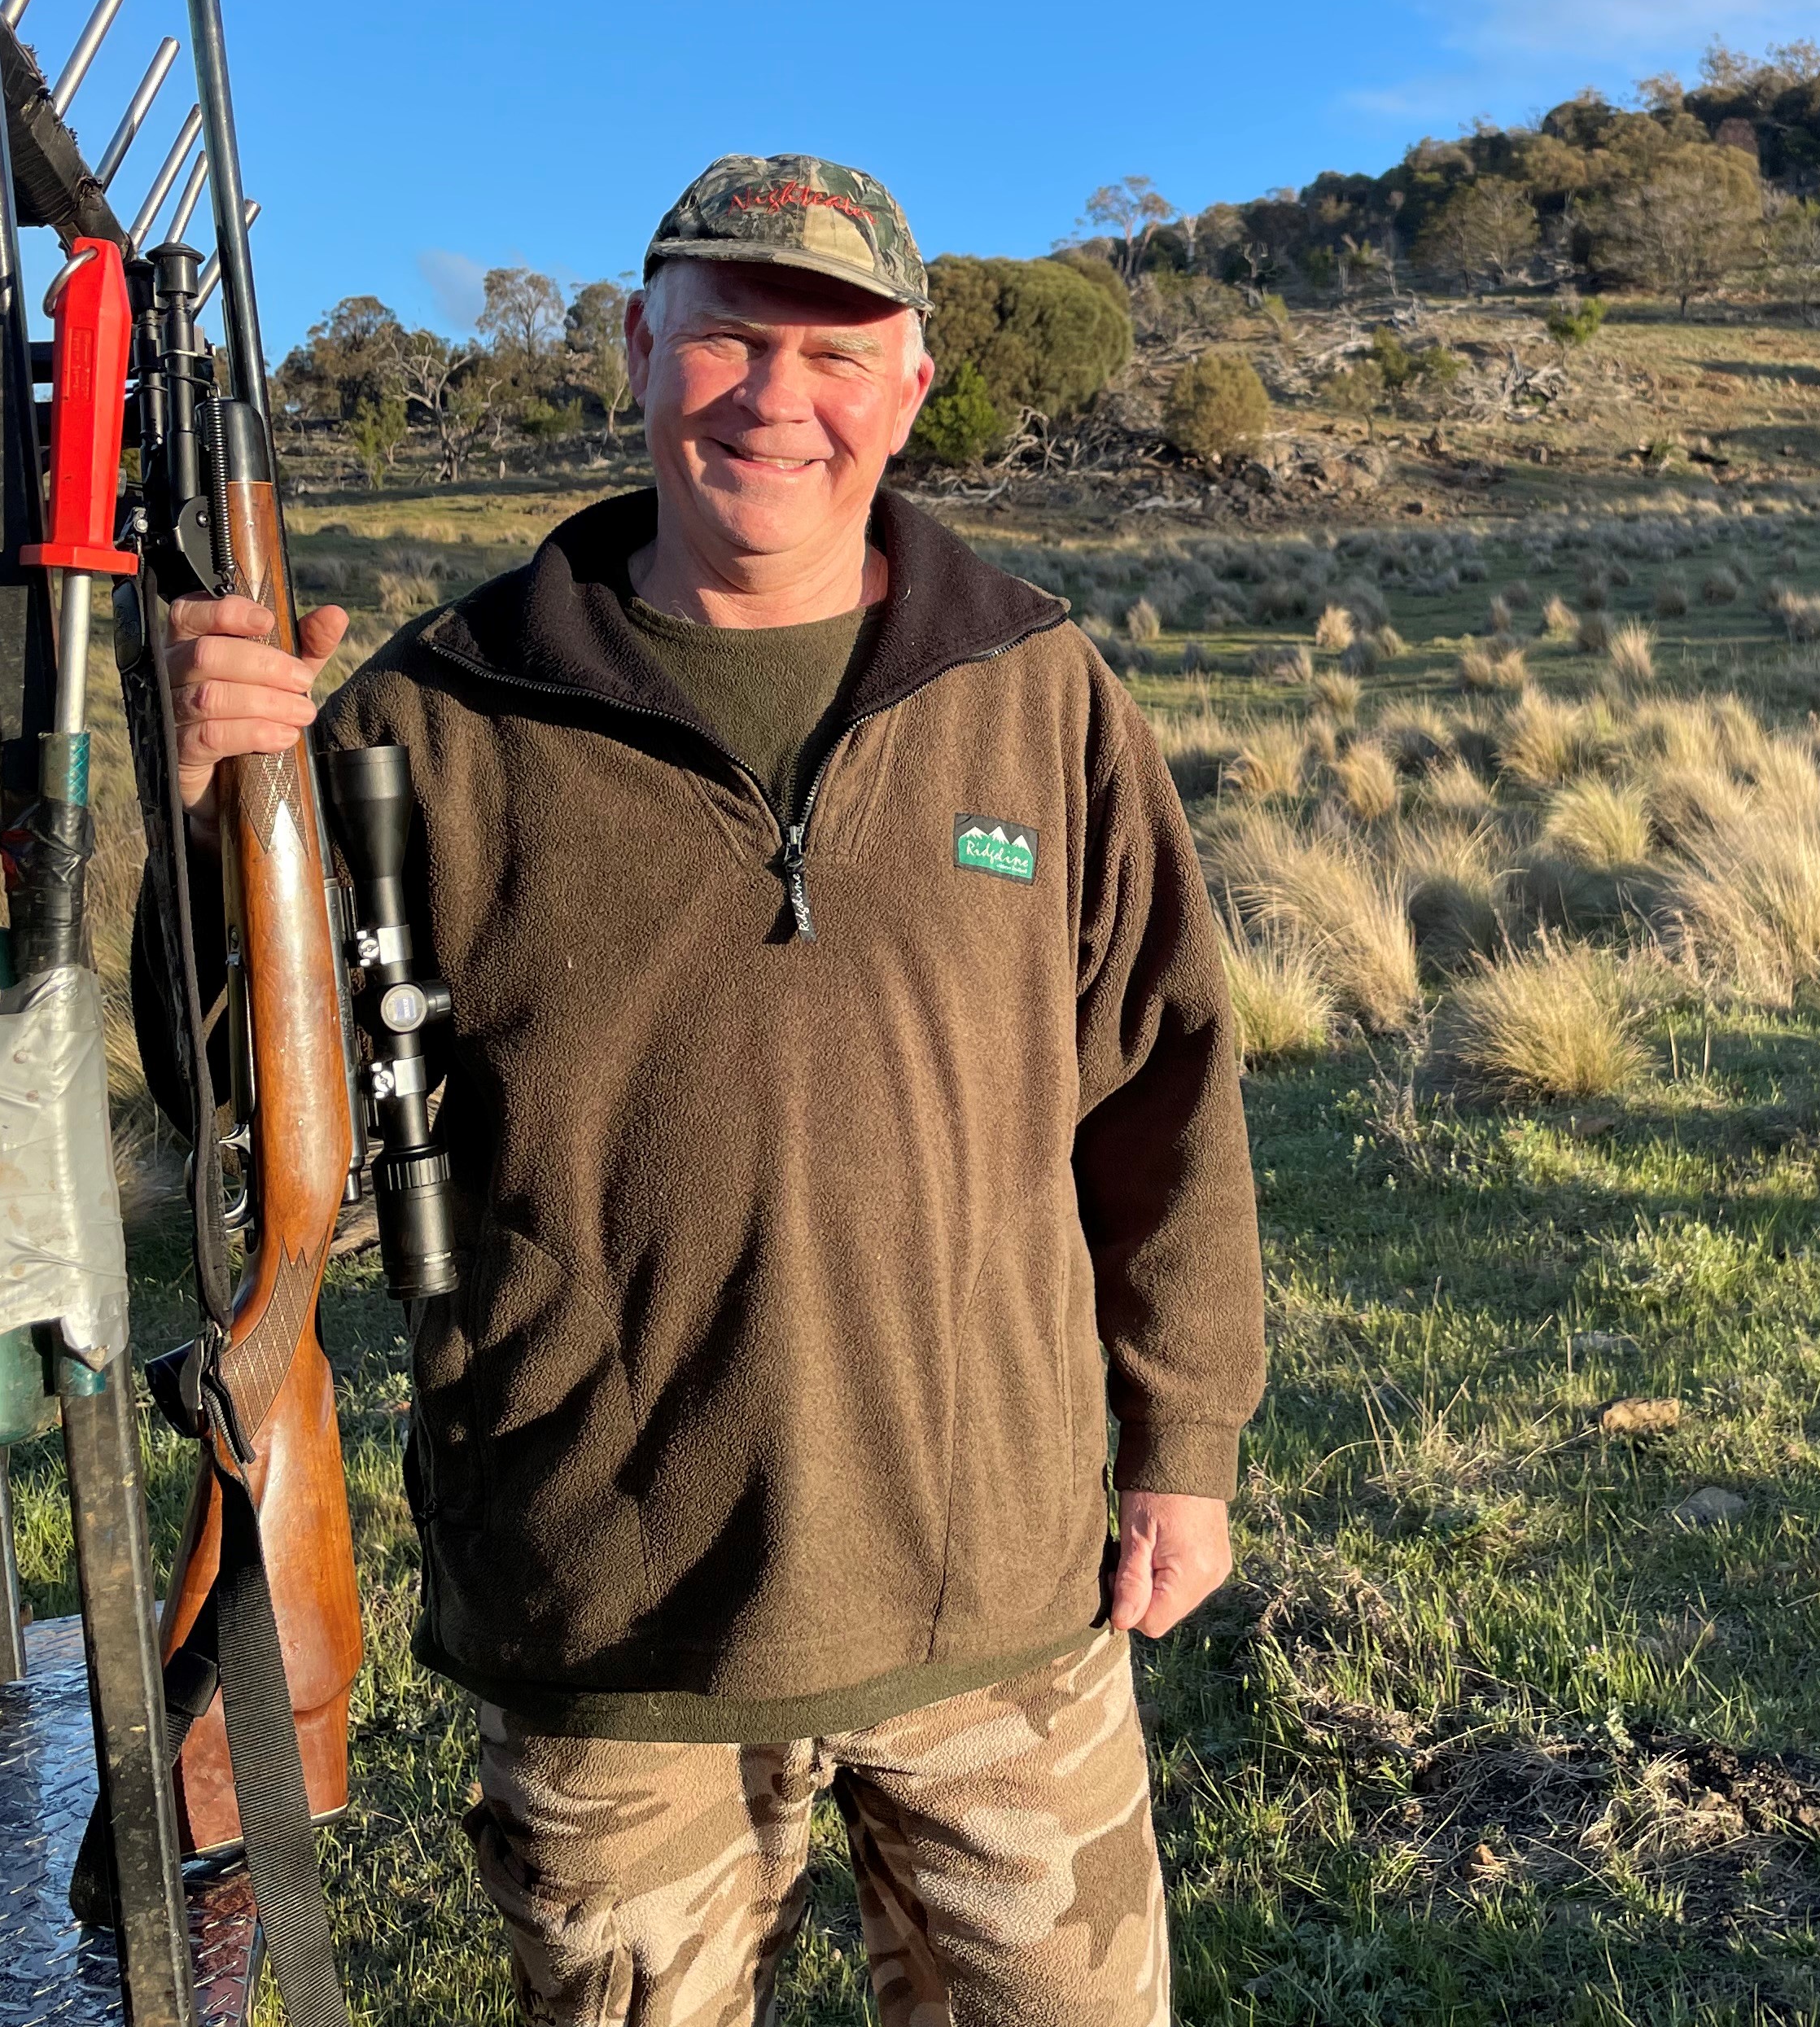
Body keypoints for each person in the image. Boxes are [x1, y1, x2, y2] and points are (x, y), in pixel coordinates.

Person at [159, 155, 1266, 2025]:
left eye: (841, 356)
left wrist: (1184, 1446)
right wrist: (212, 819)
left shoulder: (1037, 688)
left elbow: (1164, 1088)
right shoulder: (435, 715)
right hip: (610, 1609)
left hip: (998, 1599)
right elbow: (240, 1097)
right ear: (635, 347)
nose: (779, 401)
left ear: (913, 390)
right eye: (728, 341)